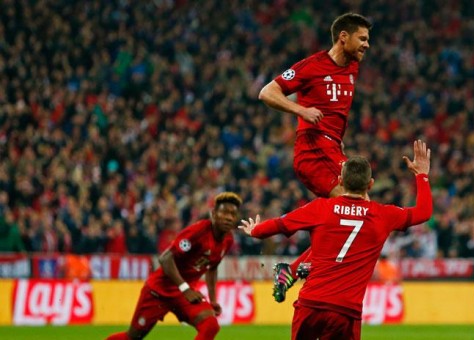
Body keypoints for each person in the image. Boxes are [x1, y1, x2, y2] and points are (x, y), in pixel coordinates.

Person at [239, 140, 432, 339]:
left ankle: (291, 271)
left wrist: (255, 231)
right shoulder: (383, 215)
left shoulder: (320, 208)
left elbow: (278, 225)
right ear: (371, 184)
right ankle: (291, 271)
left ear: (340, 181)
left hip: (310, 304)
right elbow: (424, 212)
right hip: (346, 312)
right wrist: (422, 175)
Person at [258, 12, 372, 303]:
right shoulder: (311, 67)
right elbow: (266, 92)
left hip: (334, 150)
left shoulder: (352, 68)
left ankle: (294, 269)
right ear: (342, 37)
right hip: (313, 151)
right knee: (353, 208)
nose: (367, 45)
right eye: (362, 38)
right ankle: (299, 268)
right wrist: (301, 111)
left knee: (362, 212)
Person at [106, 192, 243, 340]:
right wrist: (185, 288)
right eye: (224, 212)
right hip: (158, 292)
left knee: (211, 326)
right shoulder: (197, 232)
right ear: (214, 214)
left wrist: (213, 299)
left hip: (184, 296)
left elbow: (213, 267)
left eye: (233, 214)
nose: (229, 217)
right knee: (132, 337)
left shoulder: (228, 240)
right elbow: (165, 258)